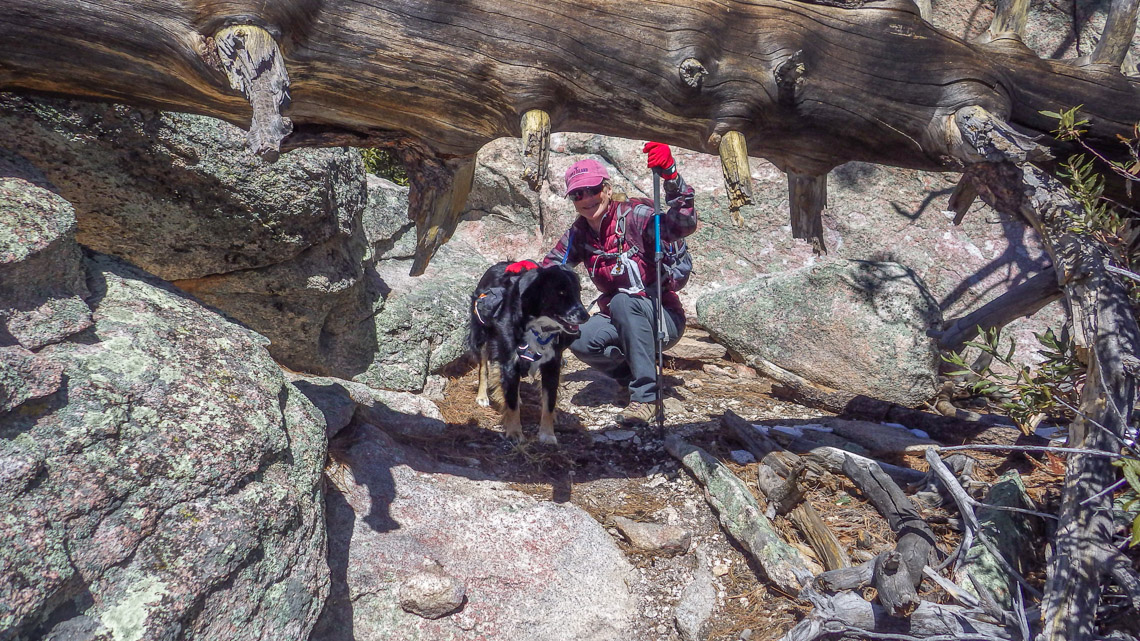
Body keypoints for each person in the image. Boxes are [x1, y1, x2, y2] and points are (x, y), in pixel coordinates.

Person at [541, 142, 697, 425]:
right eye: (577, 194)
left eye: (593, 190)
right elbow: (552, 266)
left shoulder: (635, 215)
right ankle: (634, 376)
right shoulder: (579, 233)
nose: (587, 199)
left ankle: (646, 399)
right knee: (579, 337)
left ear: (608, 189)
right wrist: (523, 274)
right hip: (620, 316)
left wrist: (672, 177)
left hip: (663, 317)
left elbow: (681, 225)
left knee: (623, 301)